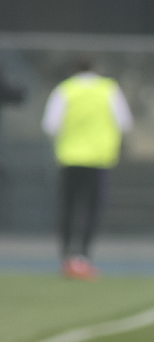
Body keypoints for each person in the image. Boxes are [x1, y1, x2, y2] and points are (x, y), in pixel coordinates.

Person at [41, 56, 133, 279]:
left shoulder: (65, 90)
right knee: (91, 210)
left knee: (67, 209)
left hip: (70, 158)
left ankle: (66, 257)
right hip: (98, 160)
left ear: (73, 70)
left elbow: (50, 125)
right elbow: (124, 123)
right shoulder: (108, 89)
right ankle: (84, 255)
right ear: (95, 69)